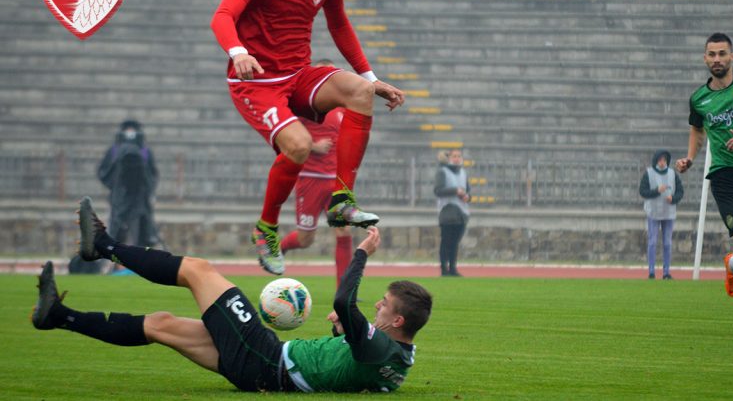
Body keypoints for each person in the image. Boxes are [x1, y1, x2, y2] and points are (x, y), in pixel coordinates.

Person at [31, 197, 433, 393]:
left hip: (265, 357)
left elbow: (346, 301)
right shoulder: (397, 359)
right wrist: (342, 334)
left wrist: (362, 254)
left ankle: (102, 245)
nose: (377, 306)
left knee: (197, 269)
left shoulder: (382, 349)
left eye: (384, 305)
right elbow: (351, 366)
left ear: (398, 321)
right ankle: (58, 316)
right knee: (160, 324)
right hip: (260, 371)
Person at [210, 0, 405, 276]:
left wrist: (371, 77)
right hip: (257, 82)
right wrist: (238, 52)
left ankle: (341, 199)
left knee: (360, 93)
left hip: (298, 74)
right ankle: (265, 228)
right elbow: (222, 16)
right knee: (298, 145)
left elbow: (341, 27)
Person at [675, 32, 733, 314]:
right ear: (705, 58)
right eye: (712, 54)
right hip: (725, 176)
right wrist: (690, 158)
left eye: (722, 54)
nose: (717, 59)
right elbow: (697, 129)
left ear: (732, 57)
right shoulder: (699, 99)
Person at [280, 59, 353, 287]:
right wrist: (313, 145)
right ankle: (278, 247)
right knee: (305, 239)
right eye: (326, 73)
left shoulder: (342, 107)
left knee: (343, 232)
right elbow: (284, 136)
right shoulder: (303, 106)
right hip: (310, 180)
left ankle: (344, 289)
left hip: (335, 182)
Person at [96, 119, 159, 248]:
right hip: (119, 195)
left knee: (140, 226)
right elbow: (104, 171)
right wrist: (113, 185)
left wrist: (148, 189)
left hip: (140, 196)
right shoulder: (114, 150)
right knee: (116, 225)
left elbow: (152, 173)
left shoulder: (145, 151)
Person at [638, 149, 684, 280]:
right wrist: (656, 191)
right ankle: (651, 271)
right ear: (656, 160)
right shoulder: (649, 173)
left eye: (664, 160)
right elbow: (643, 191)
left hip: (668, 212)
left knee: (667, 243)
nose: (662, 162)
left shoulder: (672, 174)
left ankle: (666, 272)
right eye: (660, 160)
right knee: (652, 242)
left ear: (667, 161)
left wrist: (673, 198)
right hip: (653, 212)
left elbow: (680, 192)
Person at [434, 149, 470, 277]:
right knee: (446, 241)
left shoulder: (463, 172)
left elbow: (468, 191)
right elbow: (438, 191)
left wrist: (467, 196)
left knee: (455, 242)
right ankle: (444, 269)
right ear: (449, 158)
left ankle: (453, 268)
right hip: (447, 211)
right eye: (454, 156)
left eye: (459, 156)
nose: (456, 158)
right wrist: (455, 191)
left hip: (461, 213)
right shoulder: (442, 171)